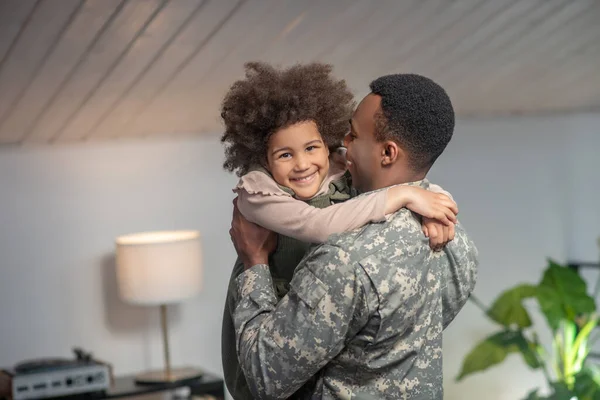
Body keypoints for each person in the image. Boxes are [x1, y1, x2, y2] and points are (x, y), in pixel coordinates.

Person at [229, 73, 479, 399]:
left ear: (388, 153)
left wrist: (255, 263)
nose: (343, 143)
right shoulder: (457, 242)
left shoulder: (342, 260)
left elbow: (265, 376)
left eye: (354, 135)